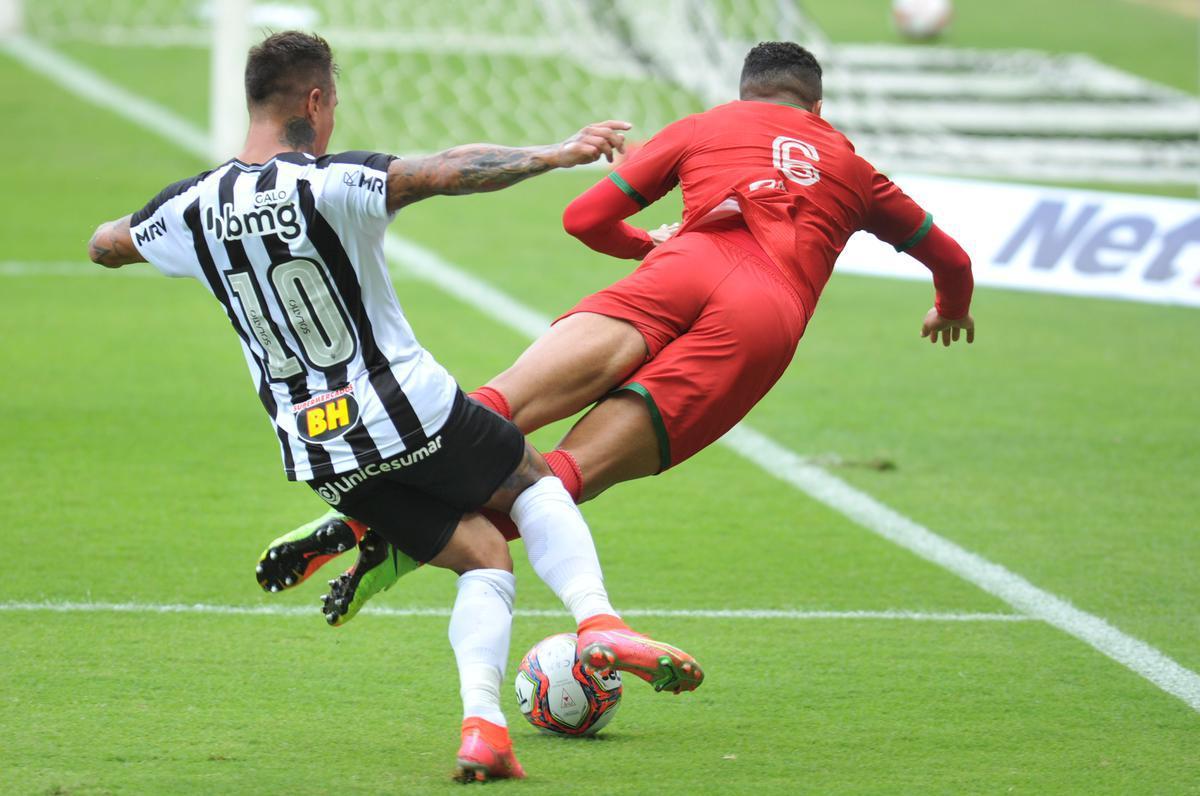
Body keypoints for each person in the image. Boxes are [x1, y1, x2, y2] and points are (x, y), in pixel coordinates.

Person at [87, 30, 702, 784]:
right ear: (315, 101)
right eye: (334, 103)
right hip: (403, 407)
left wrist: (132, 238)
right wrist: (554, 153)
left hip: (319, 452)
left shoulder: (187, 209)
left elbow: (105, 244)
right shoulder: (328, 181)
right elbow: (445, 172)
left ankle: (484, 730)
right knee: (535, 485)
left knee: (483, 556)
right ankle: (600, 622)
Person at [264, 41, 976, 624]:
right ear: (818, 108)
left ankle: (364, 514)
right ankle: (402, 547)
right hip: (765, 318)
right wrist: (949, 308)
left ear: (743, 93)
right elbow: (952, 260)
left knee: (494, 406)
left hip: (683, 267)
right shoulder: (853, 167)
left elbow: (584, 220)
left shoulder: (705, 126)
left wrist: (651, 248)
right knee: (569, 473)